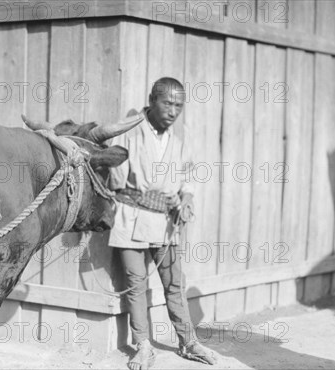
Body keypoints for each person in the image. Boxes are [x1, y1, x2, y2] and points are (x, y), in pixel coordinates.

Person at [108, 77, 217, 370]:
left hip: (165, 225)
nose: (173, 111)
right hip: (130, 219)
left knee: (174, 284)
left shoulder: (178, 143)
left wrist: (187, 198)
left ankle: (188, 342)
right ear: (152, 100)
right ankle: (143, 345)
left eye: (178, 105)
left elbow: (187, 180)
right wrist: (147, 193)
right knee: (135, 284)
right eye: (167, 103)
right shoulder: (128, 134)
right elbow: (116, 182)